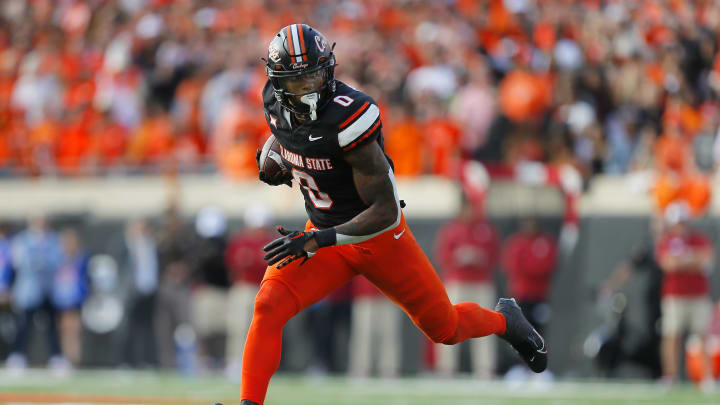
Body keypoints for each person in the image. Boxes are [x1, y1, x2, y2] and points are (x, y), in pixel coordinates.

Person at [239, 24, 546, 405]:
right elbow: (295, 143)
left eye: (315, 76)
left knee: (444, 328)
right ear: (279, 84)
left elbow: (383, 211)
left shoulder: (350, 118)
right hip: (322, 233)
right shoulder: (273, 103)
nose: (309, 87)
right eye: (298, 81)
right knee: (268, 304)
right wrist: (282, 160)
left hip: (376, 237)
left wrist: (318, 239)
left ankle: (505, 321)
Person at [433, 194, 499, 379]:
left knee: (484, 325)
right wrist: (459, 258)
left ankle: (485, 368)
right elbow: (442, 256)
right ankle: (446, 368)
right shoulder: (451, 230)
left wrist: (479, 257)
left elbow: (494, 256)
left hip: (481, 282)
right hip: (457, 281)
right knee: (450, 325)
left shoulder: (486, 229)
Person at [655, 202, 714, 388]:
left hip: (698, 295)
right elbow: (668, 264)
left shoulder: (699, 239)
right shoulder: (666, 241)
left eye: (683, 222)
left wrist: (682, 260)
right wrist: (691, 260)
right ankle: (670, 377)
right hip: (674, 295)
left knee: (703, 336)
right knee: (671, 335)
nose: (681, 226)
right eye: (678, 223)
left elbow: (707, 259)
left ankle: (707, 378)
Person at [598, 216, 664, 379]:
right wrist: (610, 285)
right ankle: (661, 374)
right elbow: (629, 266)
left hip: (678, 297)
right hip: (657, 298)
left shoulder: (677, 243)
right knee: (656, 334)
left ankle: (669, 374)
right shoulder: (649, 246)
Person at [224, 204, 274, 381]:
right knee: (238, 327)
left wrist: (252, 260)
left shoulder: (270, 240)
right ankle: (236, 362)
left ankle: (261, 365)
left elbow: (268, 264)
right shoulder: (240, 241)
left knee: (264, 330)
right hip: (244, 288)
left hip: (266, 288)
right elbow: (233, 264)